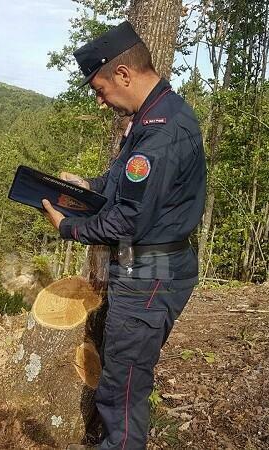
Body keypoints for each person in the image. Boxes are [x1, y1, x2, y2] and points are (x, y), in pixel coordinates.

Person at [41, 21, 206, 449]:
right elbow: (126, 185)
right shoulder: (155, 116)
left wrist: (68, 227)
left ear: (124, 74)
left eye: (100, 89)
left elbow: (126, 221)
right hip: (151, 267)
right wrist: (87, 188)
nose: (100, 101)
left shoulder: (160, 132)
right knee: (124, 374)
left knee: (123, 385)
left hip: (149, 273)